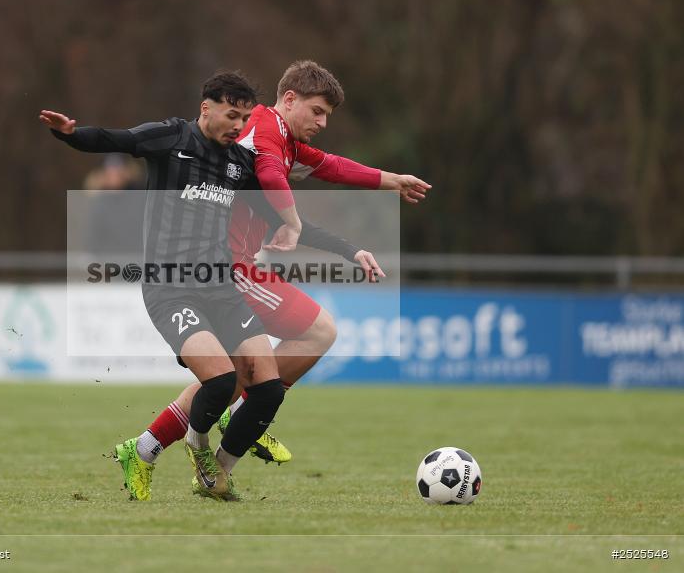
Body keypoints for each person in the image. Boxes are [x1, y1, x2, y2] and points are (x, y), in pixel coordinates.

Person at [119, 61, 432, 499]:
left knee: (235, 375)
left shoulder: (284, 140)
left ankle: (148, 447)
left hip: (237, 264)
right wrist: (294, 222)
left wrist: (390, 181)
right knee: (314, 333)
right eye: (318, 111)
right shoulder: (263, 127)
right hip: (226, 266)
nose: (323, 123)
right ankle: (230, 436)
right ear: (289, 100)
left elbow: (333, 166)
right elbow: (268, 175)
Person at [40, 71, 289, 502]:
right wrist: (71, 135)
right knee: (220, 382)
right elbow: (117, 139)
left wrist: (318, 234)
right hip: (170, 288)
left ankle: (151, 454)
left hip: (220, 287)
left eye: (245, 118)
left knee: (266, 390)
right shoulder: (172, 138)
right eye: (231, 115)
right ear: (205, 108)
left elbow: (274, 200)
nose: (238, 125)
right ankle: (199, 450)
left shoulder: (239, 163)